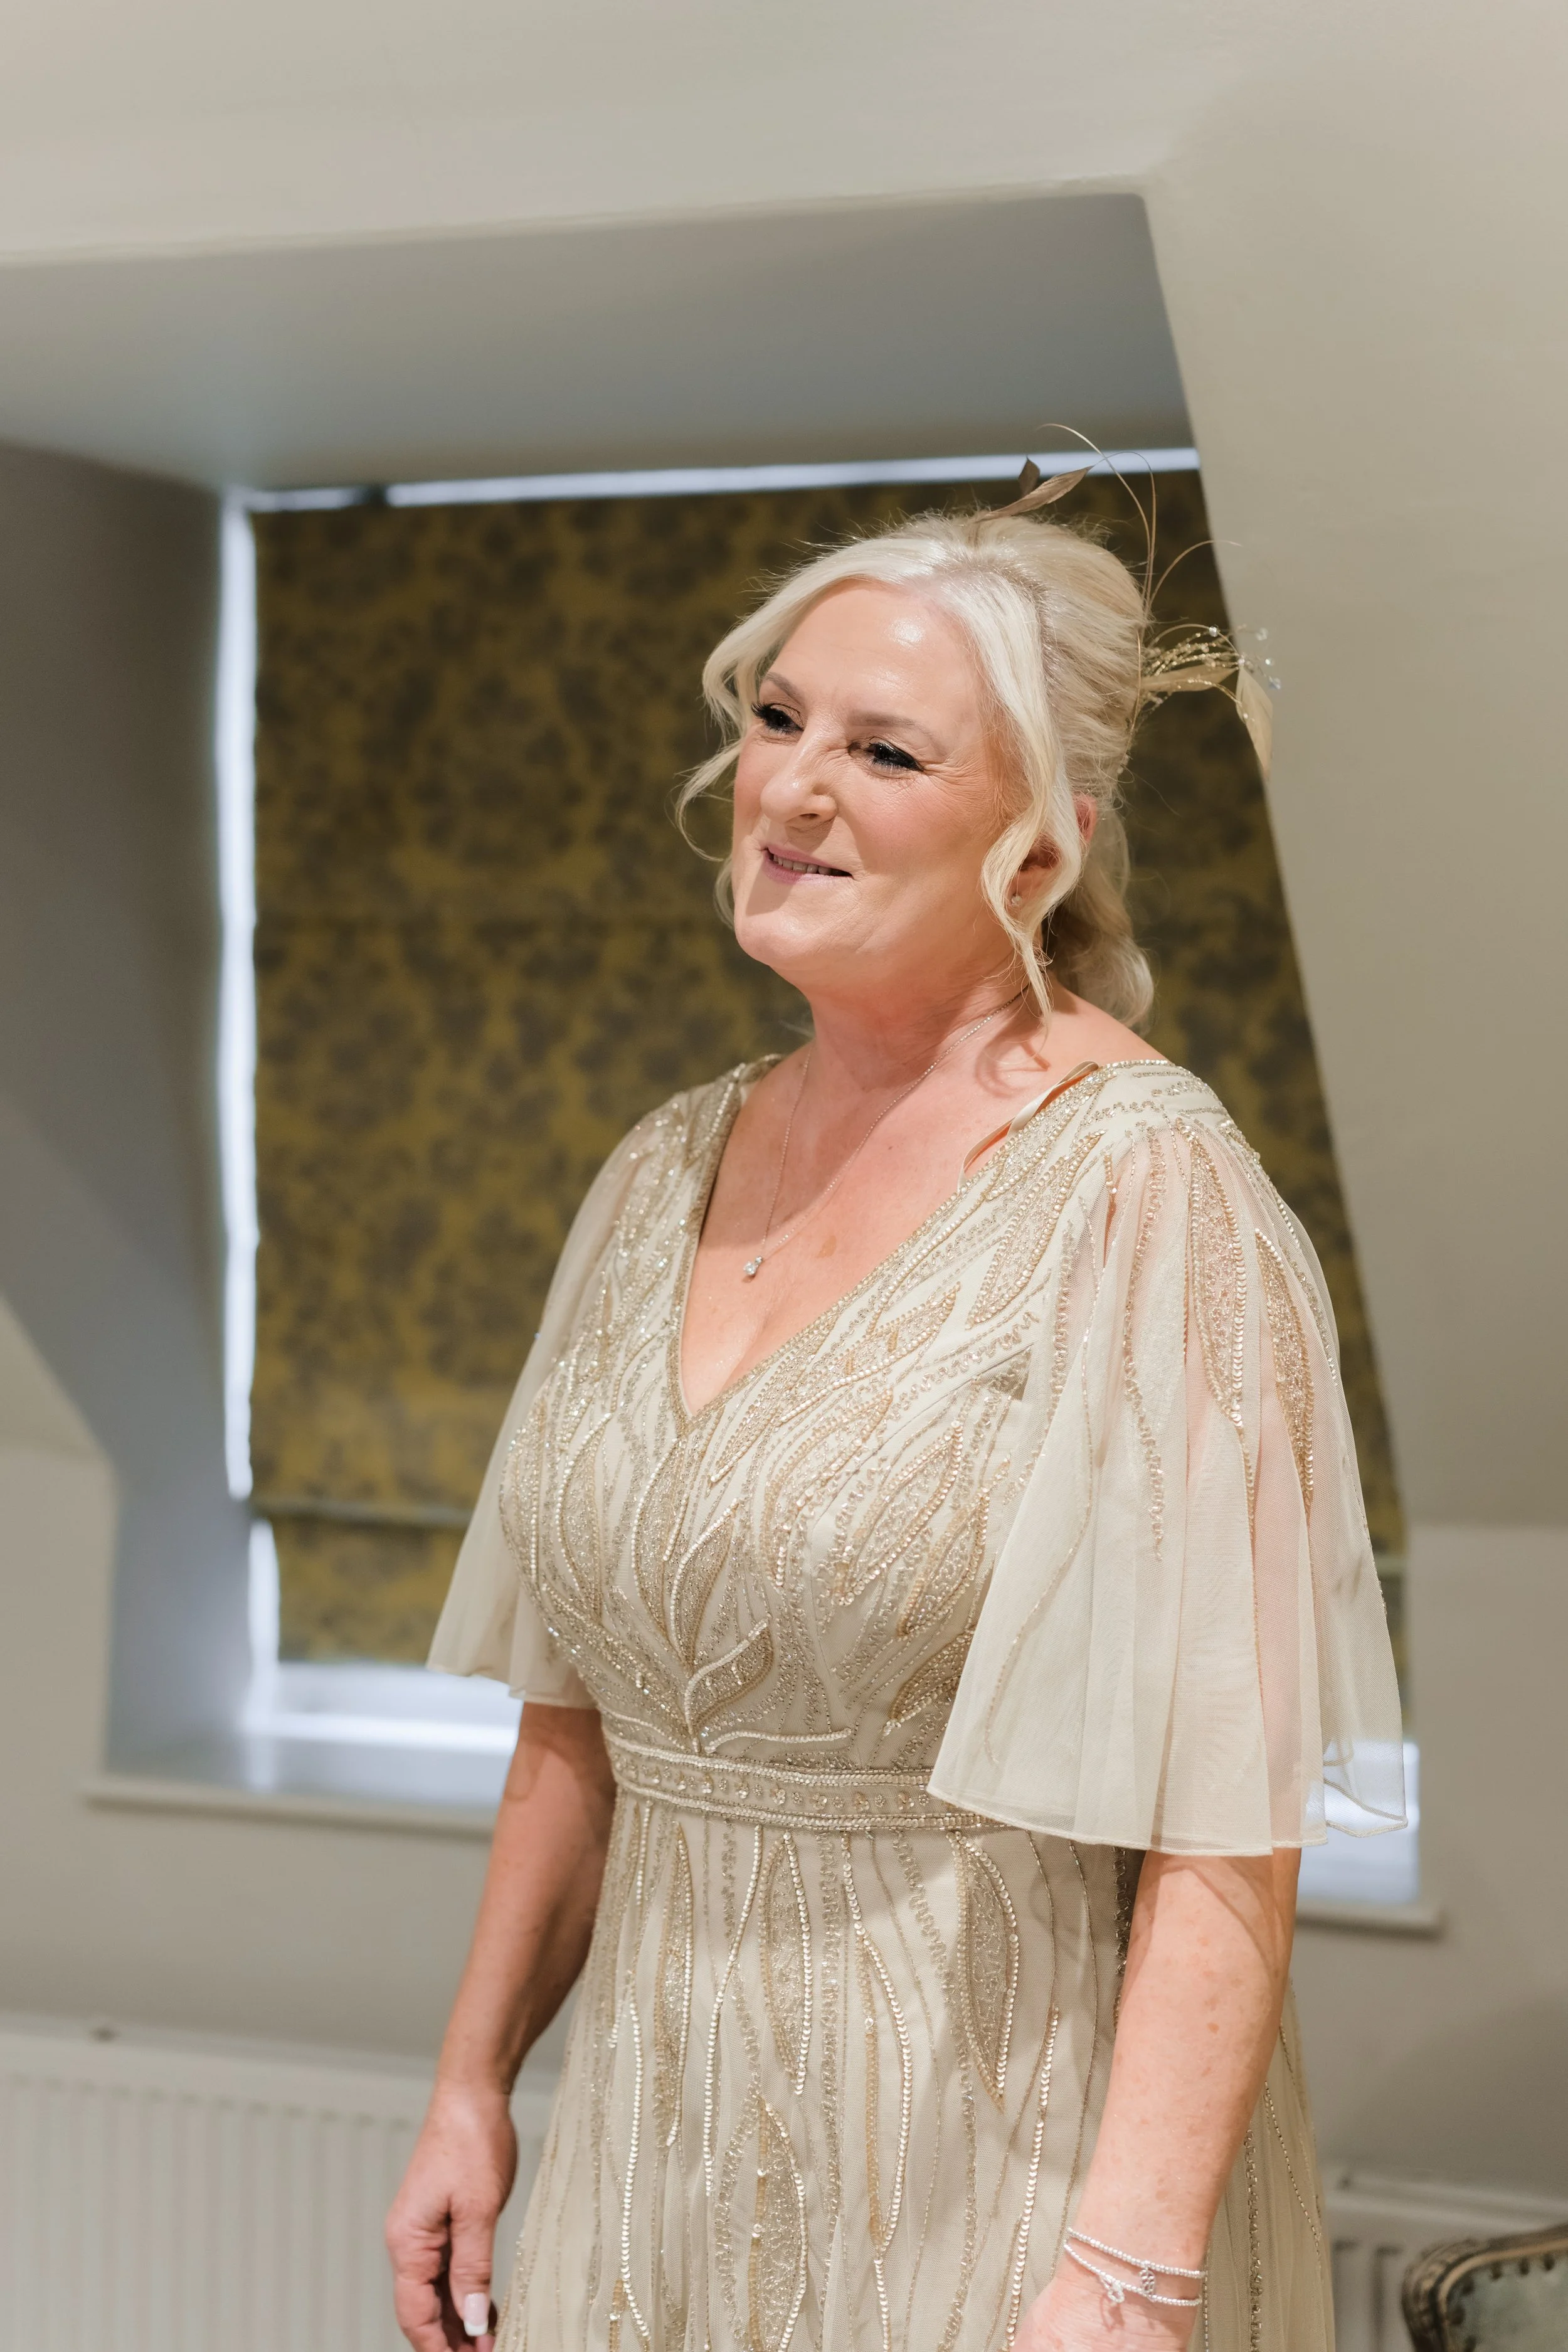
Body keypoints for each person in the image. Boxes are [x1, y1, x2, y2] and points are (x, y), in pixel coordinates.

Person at [386, 476, 1406, 2352]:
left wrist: (1125, 2277)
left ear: (1037, 852)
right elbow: (583, 1711)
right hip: (655, 2143)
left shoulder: (1146, 1199)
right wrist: (471, 2080)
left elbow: (1222, 1819)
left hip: (995, 2164)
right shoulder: (657, 1169)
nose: (789, 788)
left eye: (883, 748)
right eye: (775, 719)